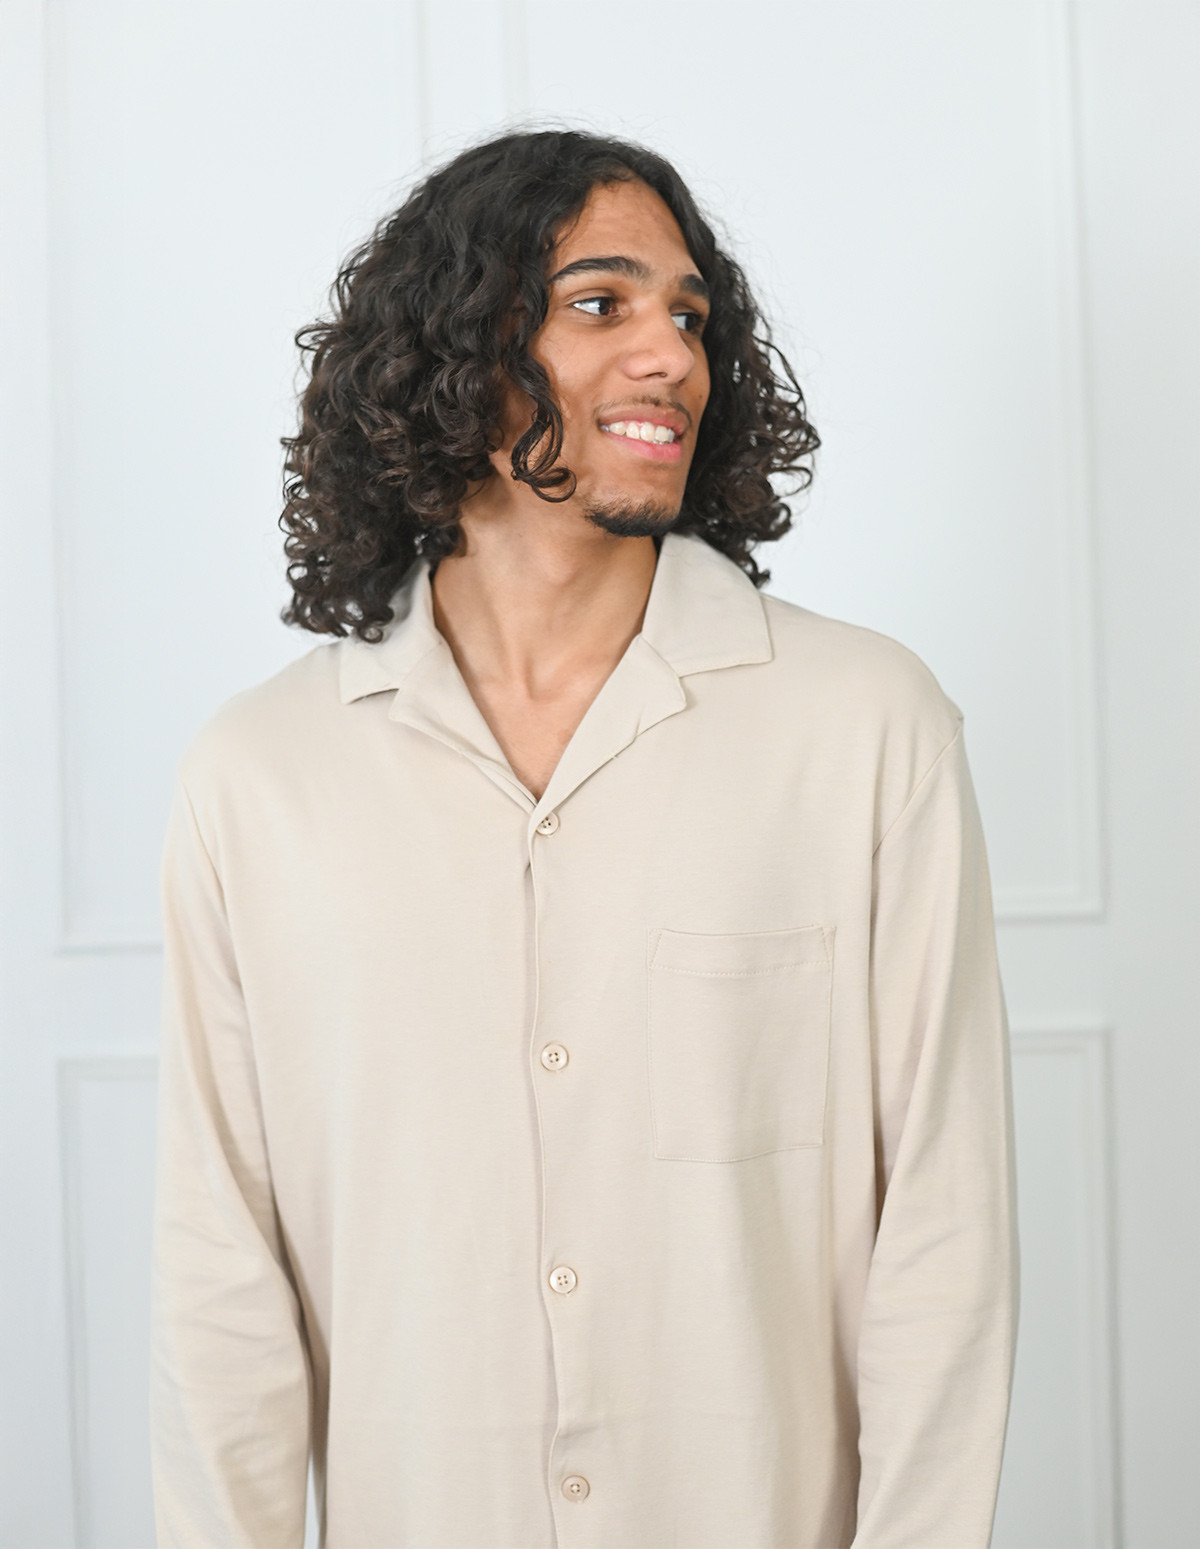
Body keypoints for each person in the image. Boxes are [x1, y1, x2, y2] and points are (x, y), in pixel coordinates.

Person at [149, 128, 1018, 1548]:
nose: (672, 356)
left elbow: (945, 1236)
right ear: (451, 349)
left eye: (691, 316)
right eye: (600, 303)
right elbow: (219, 1278)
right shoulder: (261, 777)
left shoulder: (866, 731)